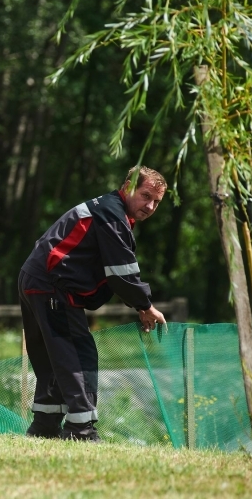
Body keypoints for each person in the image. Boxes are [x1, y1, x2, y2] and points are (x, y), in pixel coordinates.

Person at [19, 166, 168, 441]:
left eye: (156, 202)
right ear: (128, 187)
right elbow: (121, 273)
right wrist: (145, 306)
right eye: (146, 196)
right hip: (52, 285)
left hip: (37, 279)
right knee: (79, 354)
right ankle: (81, 430)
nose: (150, 206)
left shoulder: (108, 209)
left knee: (54, 357)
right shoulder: (111, 215)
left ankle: (45, 426)